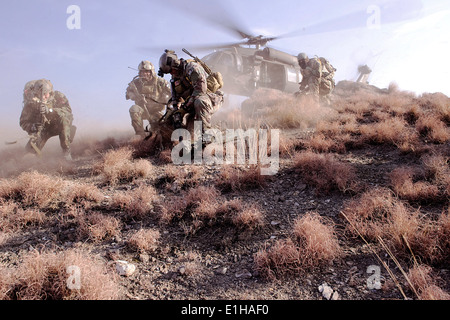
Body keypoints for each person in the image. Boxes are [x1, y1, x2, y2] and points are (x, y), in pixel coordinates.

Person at [157, 50, 224, 136]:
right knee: (171, 117)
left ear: (175, 64)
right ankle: (173, 142)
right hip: (192, 104)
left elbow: (200, 91)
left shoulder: (192, 68)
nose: (171, 73)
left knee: (200, 101)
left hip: (211, 99)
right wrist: (177, 114)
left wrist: (184, 109)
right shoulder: (175, 78)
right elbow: (175, 100)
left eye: (171, 71)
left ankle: (208, 135)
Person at [19, 79, 76, 160]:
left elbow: (67, 111)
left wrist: (50, 110)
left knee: (64, 119)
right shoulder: (31, 103)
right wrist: (33, 127)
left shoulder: (58, 96)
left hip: (57, 126)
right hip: (43, 130)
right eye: (40, 94)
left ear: (50, 92)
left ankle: (66, 152)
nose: (43, 96)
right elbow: (23, 122)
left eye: (46, 94)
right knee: (28, 155)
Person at [126, 60, 171, 138]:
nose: (145, 74)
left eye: (147, 71)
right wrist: (134, 96)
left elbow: (170, 93)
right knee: (134, 109)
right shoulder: (136, 83)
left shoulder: (161, 82)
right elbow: (128, 93)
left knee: (160, 131)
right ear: (139, 73)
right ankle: (140, 134)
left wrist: (164, 98)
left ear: (151, 72)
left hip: (156, 111)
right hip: (142, 110)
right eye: (142, 72)